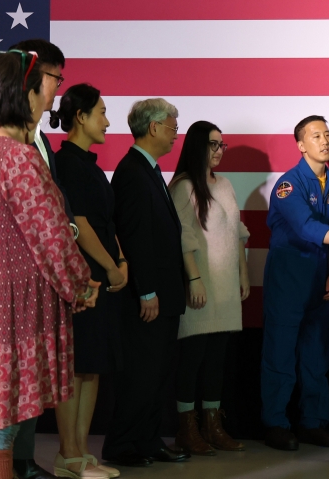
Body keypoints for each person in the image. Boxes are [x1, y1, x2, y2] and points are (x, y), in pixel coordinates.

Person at [0, 50, 97, 479]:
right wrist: (80, 286)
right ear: (21, 94)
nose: (45, 98)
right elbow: (51, 237)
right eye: (39, 89)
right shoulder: (16, 156)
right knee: (0, 428)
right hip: (13, 307)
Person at [261, 115, 329, 451]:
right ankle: (276, 423)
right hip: (287, 282)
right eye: (316, 136)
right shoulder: (288, 185)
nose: (324, 141)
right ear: (300, 145)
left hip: (319, 283)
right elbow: (307, 227)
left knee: (316, 356)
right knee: (280, 355)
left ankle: (313, 423)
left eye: (327, 135)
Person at [102, 98, 189, 467]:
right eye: (172, 127)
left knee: (157, 373)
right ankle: (123, 445)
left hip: (164, 294)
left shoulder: (147, 169)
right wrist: (148, 290)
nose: (175, 135)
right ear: (153, 128)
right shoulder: (133, 172)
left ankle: (148, 440)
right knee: (142, 374)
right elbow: (136, 237)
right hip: (148, 297)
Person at [8, 38, 79, 479]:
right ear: (32, 78)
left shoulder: (41, 141)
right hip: (16, 276)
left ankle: (23, 460)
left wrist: (66, 230)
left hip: (44, 277)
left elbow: (54, 203)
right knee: (11, 378)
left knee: (33, 375)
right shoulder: (3, 142)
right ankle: (11, 462)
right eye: (56, 78)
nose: (58, 89)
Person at [53, 84, 126, 478]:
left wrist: (122, 259)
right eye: (101, 111)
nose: (107, 120)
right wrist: (111, 267)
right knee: (76, 365)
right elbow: (79, 224)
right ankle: (68, 454)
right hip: (82, 276)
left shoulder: (92, 166)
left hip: (103, 273)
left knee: (92, 366)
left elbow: (105, 221)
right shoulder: (67, 164)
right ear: (80, 116)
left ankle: (81, 451)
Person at [168, 121, 250, 456]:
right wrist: (194, 279)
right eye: (212, 145)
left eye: (221, 145)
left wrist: (243, 272)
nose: (218, 151)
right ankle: (187, 428)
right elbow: (183, 236)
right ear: (197, 146)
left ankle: (213, 425)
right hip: (201, 285)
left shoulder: (226, 184)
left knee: (217, 357)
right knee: (193, 358)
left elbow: (237, 231)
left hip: (227, 285)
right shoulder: (183, 186)